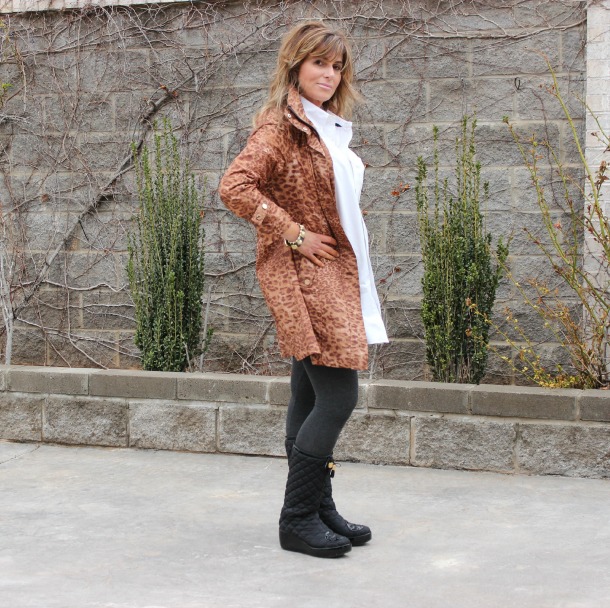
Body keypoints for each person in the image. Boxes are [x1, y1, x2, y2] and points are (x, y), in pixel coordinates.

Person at [219, 21, 388, 559]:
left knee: (308, 394)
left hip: (334, 272)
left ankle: (317, 508)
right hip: (307, 275)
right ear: (295, 65)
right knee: (339, 395)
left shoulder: (323, 127)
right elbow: (234, 187)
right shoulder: (281, 127)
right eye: (319, 62)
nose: (329, 74)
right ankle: (296, 519)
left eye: (337, 66)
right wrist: (292, 232)